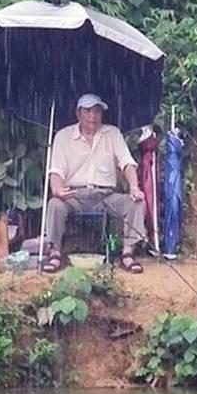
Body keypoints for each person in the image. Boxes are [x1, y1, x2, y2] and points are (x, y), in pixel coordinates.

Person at [41, 93, 146, 273]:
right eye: (88, 111)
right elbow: (56, 171)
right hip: (74, 195)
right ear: (78, 114)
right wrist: (57, 189)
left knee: (136, 202)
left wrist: (134, 187)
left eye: (97, 111)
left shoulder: (112, 133)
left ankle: (128, 254)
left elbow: (127, 163)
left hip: (106, 196)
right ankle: (55, 253)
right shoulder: (63, 136)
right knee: (55, 204)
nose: (93, 116)